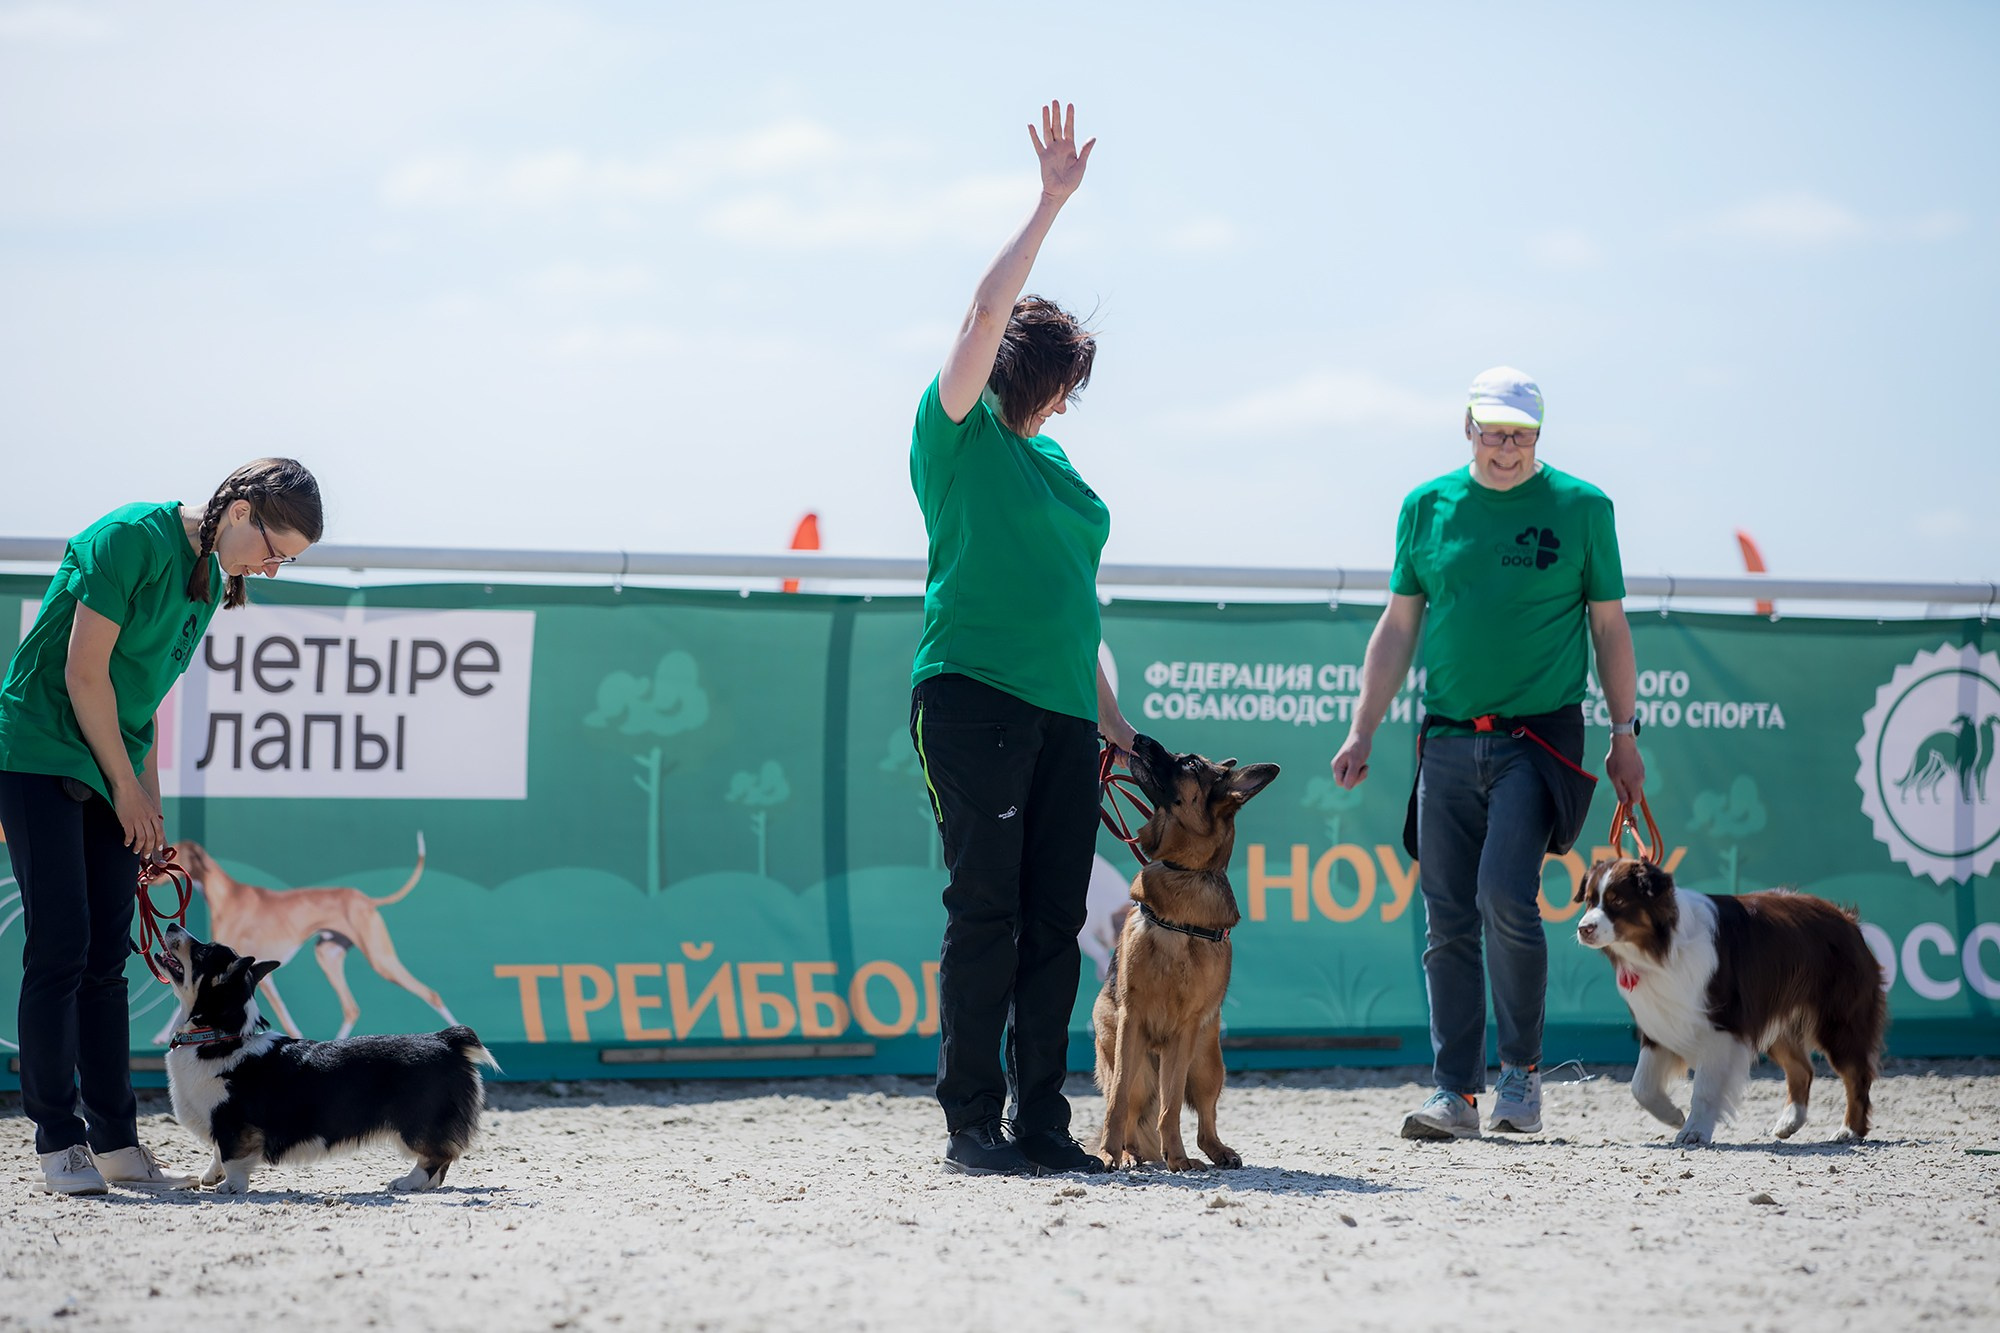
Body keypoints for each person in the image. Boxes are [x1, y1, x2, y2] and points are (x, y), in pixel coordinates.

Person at [908, 102, 1137, 1176]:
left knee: (1055, 918)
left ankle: (1044, 1122)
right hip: (972, 696)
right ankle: (970, 1123)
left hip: (1058, 711)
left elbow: (1072, 601)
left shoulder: (1058, 470)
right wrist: (1048, 203)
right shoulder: (955, 432)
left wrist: (1113, 717)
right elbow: (979, 311)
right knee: (987, 909)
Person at [1330, 369, 1644, 1140]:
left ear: (1540, 435)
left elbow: (1609, 629)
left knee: (1506, 894)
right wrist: (1363, 725)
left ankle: (1520, 1078)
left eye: (1521, 434)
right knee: (1445, 916)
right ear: (1466, 426)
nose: (1506, 448)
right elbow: (1399, 625)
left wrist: (1625, 734)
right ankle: (1454, 1093)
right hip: (1445, 737)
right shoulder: (1425, 507)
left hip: (1538, 737)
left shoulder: (1584, 508)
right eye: (1494, 431)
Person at [0, 458, 324, 1194]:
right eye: (276, 552)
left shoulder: (212, 579)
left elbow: (138, 702)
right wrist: (124, 786)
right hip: (39, 746)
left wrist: (148, 800)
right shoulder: (129, 537)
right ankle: (60, 1143)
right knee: (61, 947)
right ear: (241, 510)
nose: (272, 570)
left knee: (108, 959)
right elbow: (85, 676)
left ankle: (116, 1141)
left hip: (115, 759)